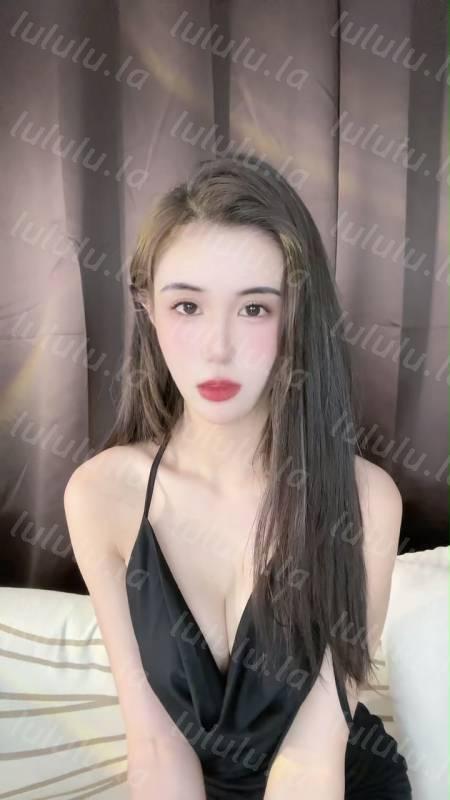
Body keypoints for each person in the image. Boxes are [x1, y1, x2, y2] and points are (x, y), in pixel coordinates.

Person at [64, 153, 413, 799]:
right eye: (187, 306)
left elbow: (313, 762)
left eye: (255, 309)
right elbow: (155, 746)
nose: (218, 347)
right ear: (147, 308)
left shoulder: (364, 500)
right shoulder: (101, 495)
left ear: (298, 315)